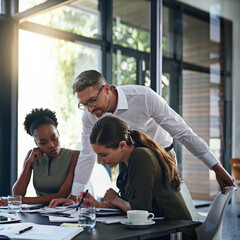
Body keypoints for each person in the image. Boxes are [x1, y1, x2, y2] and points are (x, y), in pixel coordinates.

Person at [69, 69, 234, 197]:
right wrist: (75, 196)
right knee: (131, 210)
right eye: (83, 104)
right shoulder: (90, 115)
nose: (89, 109)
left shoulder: (144, 98)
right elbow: (87, 154)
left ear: (106, 89)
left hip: (161, 156)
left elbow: (183, 133)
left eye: (92, 100)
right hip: (127, 161)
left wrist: (216, 168)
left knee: (166, 212)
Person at [51, 116, 197, 240]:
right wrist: (98, 204)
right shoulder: (125, 160)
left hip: (174, 233)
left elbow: (140, 212)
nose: (100, 161)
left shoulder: (141, 157)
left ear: (122, 145)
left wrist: (114, 199)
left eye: (103, 154)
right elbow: (129, 205)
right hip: (156, 230)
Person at [0, 108, 79, 205]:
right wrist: (28, 164)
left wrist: (14, 201)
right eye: (43, 142)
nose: (51, 145)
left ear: (58, 133)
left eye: (54, 138)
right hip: (40, 213)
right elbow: (17, 194)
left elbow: (62, 195)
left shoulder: (75, 156)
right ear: (36, 143)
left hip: (66, 214)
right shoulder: (32, 156)